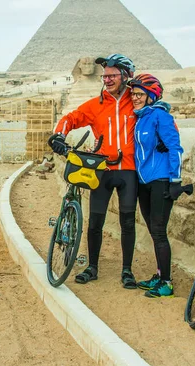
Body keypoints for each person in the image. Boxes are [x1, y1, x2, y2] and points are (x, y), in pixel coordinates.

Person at [51, 54, 138, 289]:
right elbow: (71, 118)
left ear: (126, 76)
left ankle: (127, 270)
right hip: (102, 170)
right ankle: (92, 267)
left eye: (112, 76)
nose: (106, 80)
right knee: (95, 222)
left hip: (129, 171)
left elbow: (160, 114)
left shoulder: (138, 101)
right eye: (104, 76)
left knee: (128, 223)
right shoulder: (96, 104)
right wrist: (58, 135)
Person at [129, 73, 192, 298]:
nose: (134, 97)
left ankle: (166, 283)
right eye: (133, 93)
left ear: (151, 96)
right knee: (154, 231)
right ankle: (158, 274)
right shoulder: (140, 118)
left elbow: (175, 147)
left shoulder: (160, 117)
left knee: (158, 231)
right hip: (144, 181)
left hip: (161, 181)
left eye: (139, 94)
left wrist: (175, 180)